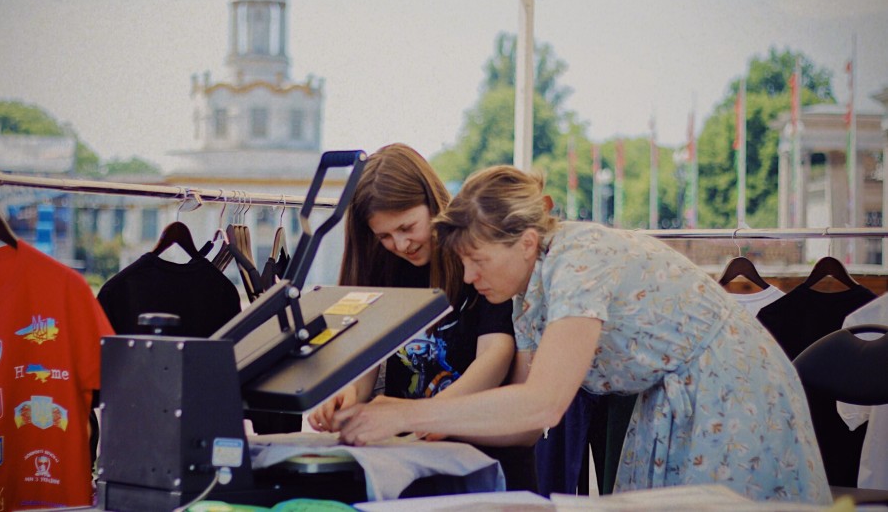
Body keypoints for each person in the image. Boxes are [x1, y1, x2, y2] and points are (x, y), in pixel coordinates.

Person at [333, 165, 832, 504]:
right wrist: (423, 429)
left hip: (729, 391)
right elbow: (526, 425)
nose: (466, 277)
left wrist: (408, 412)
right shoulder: (527, 301)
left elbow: (542, 404)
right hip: (665, 406)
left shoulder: (580, 256)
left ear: (526, 242)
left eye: (476, 260)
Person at [307, 144, 537, 491]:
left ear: (433, 203)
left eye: (407, 227)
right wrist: (347, 397)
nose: (400, 244)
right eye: (384, 236)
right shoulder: (384, 270)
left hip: (485, 465)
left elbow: (495, 356)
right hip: (408, 464)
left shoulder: (477, 261)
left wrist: (426, 416)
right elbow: (365, 361)